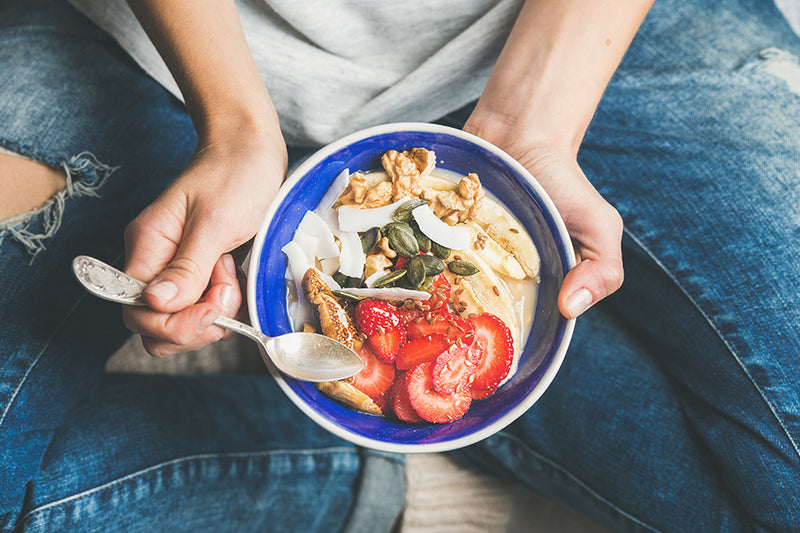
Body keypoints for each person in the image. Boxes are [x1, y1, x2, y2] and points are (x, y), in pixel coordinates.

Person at [0, 0, 798, 530]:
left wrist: (534, 123)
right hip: (164, 55)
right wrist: (236, 121)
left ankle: (454, 421)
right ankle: (338, 470)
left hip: (585, 37)